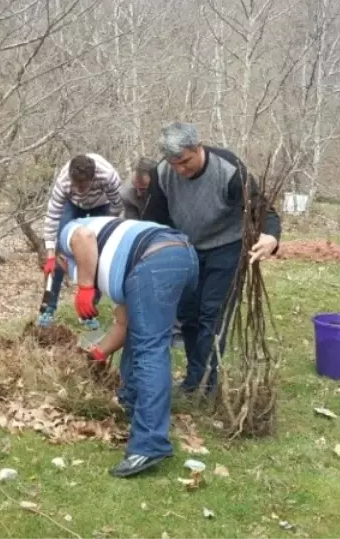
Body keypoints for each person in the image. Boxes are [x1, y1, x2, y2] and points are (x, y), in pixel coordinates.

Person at [142, 122, 281, 395]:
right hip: (184, 247)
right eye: (174, 164)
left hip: (226, 246)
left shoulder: (228, 170)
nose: (180, 170)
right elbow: (153, 220)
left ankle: (203, 381)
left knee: (212, 315)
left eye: (185, 162)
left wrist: (271, 238)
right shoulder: (162, 174)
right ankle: (198, 376)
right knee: (187, 314)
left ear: (198, 147)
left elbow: (264, 211)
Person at [57, 214, 198, 478]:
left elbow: (82, 238)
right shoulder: (120, 261)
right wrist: (99, 353)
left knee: (150, 348)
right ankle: (133, 403)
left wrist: (85, 288)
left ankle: (149, 444)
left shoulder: (67, 234)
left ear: (64, 260)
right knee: (143, 334)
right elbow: (124, 325)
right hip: (182, 257)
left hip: (155, 260)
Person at [38, 153, 123, 329]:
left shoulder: (107, 175)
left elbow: (118, 203)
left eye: (84, 186)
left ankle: (86, 311)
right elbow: (53, 216)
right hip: (73, 206)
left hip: (102, 205)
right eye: (77, 186)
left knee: (97, 257)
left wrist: (104, 228)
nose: (80, 190)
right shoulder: (64, 182)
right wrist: (51, 253)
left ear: (93, 179)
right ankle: (48, 308)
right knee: (60, 256)